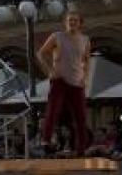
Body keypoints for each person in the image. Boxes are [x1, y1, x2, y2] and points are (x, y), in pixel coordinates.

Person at [38, 11, 91, 156]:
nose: (72, 22)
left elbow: (86, 60)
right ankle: (46, 141)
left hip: (77, 82)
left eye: (75, 20)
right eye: (69, 20)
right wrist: (49, 71)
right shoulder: (57, 36)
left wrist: (85, 78)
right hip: (59, 80)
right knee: (53, 111)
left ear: (80, 23)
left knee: (80, 116)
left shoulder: (85, 40)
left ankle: (81, 149)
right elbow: (41, 54)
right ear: (65, 22)